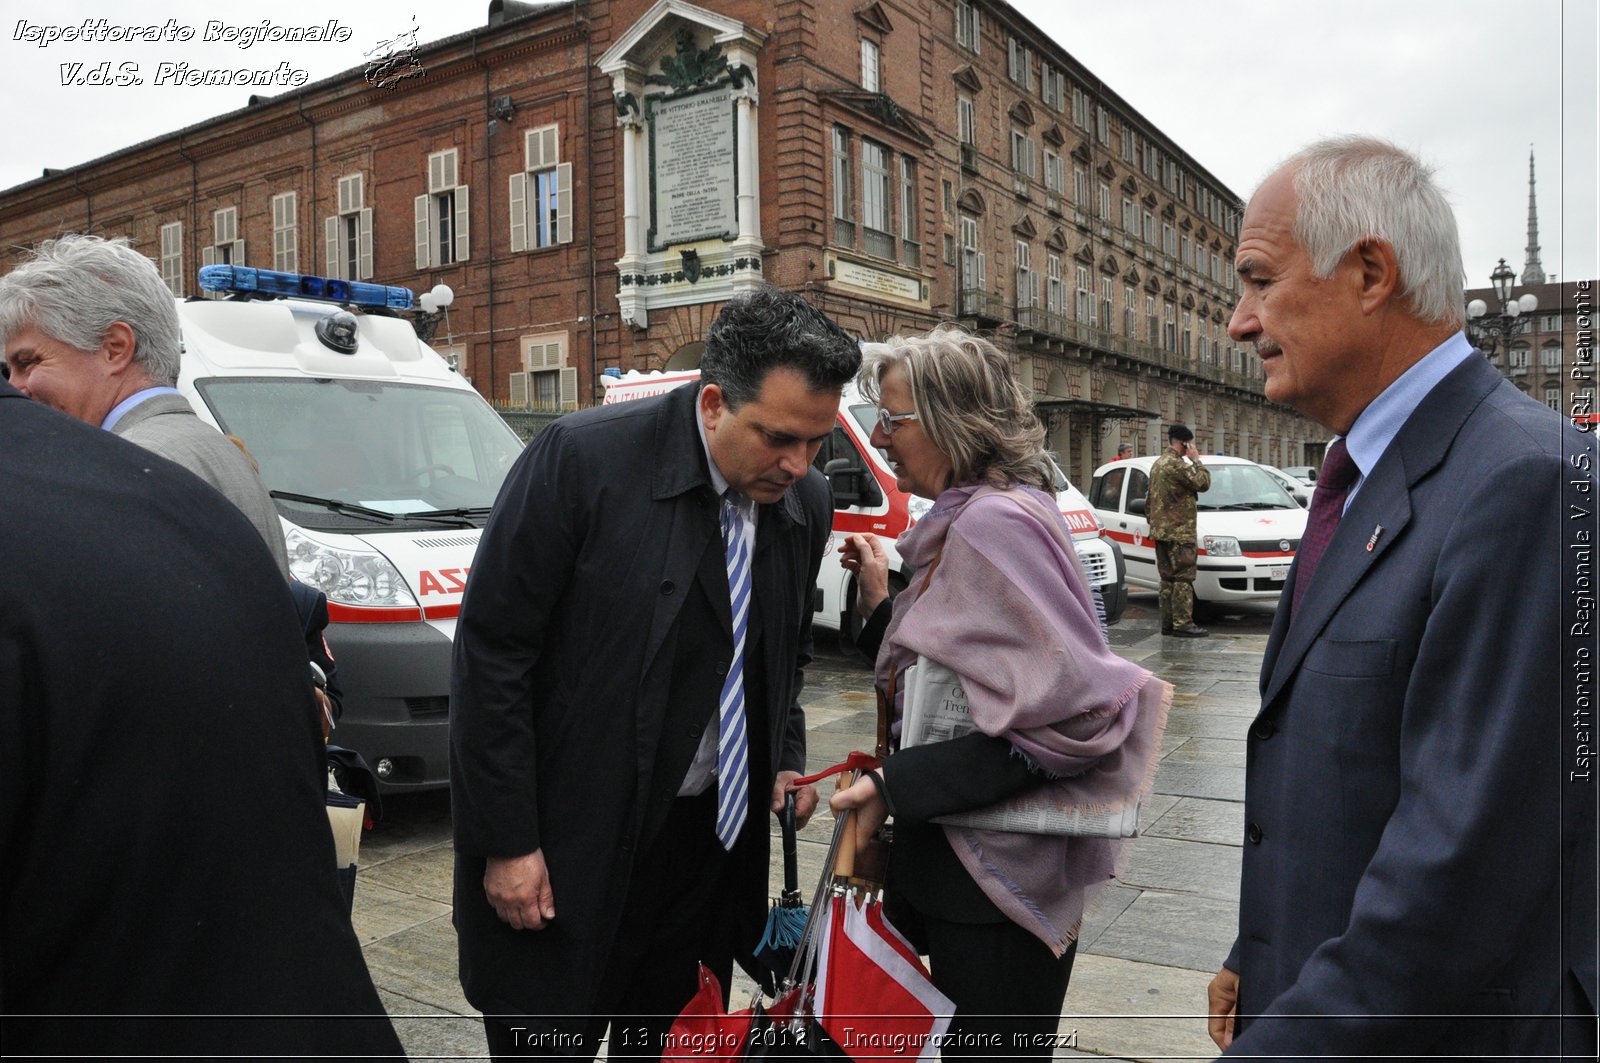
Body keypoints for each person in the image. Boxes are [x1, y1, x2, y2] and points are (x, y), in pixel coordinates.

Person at [1206, 135, 1597, 1058]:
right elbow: (1346, 771)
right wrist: (1258, 948)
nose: (1238, 320)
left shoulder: (1525, 484)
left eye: (1259, 280)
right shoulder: (1362, 469)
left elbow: (1460, 873)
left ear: (1370, 271)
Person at [449, 287, 860, 1060]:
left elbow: (785, 652)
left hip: (702, 863)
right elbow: (493, 655)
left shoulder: (802, 501)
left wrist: (786, 752)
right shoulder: (580, 462)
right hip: (566, 852)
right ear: (711, 403)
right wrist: (505, 842)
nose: (799, 463)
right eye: (777, 437)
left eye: (817, 441)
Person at [0, 378, 404, 1059]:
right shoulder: (176, 487)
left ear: (115, 347)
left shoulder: (150, 471)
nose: (25, 378)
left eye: (33, 356)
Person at [832, 327, 1169, 1058]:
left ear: (954, 419)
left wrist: (896, 781)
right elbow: (967, 671)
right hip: (963, 876)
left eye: (894, 419)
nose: (882, 437)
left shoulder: (991, 524)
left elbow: (1071, 713)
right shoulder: (971, 514)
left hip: (992, 886)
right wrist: (883, 602)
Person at [0, 233, 289, 576]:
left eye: (29, 362)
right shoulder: (218, 450)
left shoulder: (121, 471)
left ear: (115, 348)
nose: (16, 387)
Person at [1145, 424, 1211, 637]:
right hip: (1180, 532)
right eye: (1190, 444)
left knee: (1166, 579)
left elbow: (1149, 500)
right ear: (1184, 443)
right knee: (1183, 578)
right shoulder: (1178, 465)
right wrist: (1196, 460)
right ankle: (1183, 624)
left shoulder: (1157, 464)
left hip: (1161, 532)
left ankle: (1167, 623)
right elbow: (1203, 483)